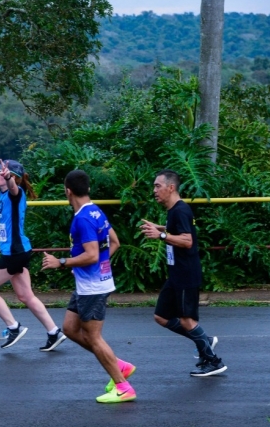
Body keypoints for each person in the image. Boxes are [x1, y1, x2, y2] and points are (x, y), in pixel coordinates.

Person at [0, 136, 66, 351]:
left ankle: (13, 326)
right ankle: (54, 332)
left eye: (1, 174)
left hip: (14, 253)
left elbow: (12, 187)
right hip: (20, 251)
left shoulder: (15, 194)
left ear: (13, 178)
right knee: (26, 296)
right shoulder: (1, 191)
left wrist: (8, 177)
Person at [42, 170, 137, 403]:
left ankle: (123, 387)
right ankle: (119, 365)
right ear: (88, 189)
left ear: (68, 191)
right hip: (88, 284)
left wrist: (61, 262)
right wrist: (95, 267)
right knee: (70, 328)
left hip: (93, 287)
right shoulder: (95, 211)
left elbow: (92, 255)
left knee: (94, 337)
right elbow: (115, 242)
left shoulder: (83, 218)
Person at [140, 169, 227, 377]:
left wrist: (160, 235)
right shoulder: (174, 211)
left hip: (185, 274)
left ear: (171, 187)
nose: (154, 190)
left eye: (157, 186)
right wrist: (160, 227)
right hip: (176, 274)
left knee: (187, 319)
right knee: (161, 316)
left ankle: (213, 361)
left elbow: (187, 241)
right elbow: (178, 230)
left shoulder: (180, 210)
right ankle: (203, 340)